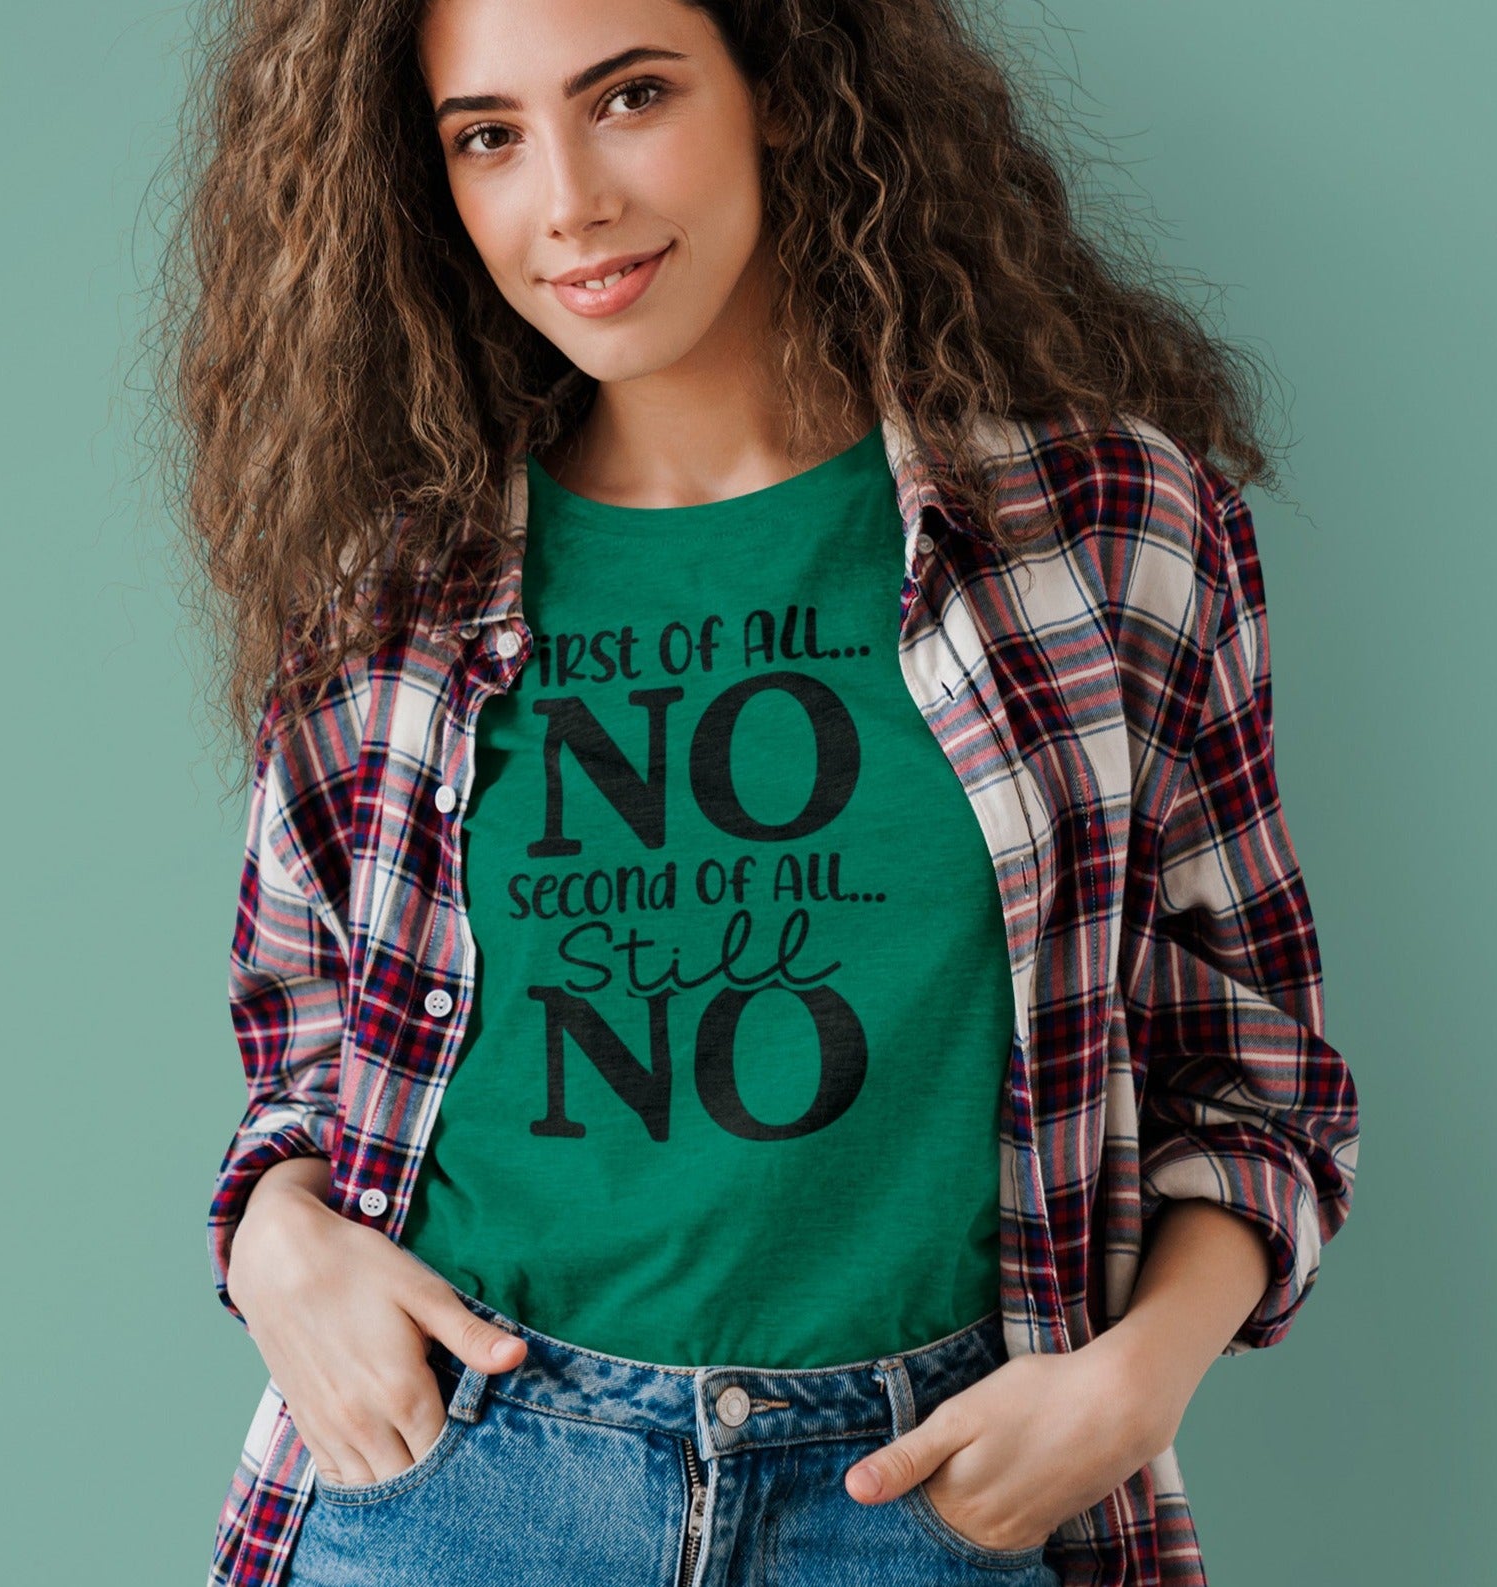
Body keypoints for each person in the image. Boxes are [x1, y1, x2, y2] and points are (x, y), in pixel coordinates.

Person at [153, 0, 1361, 1582]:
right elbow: (306, 1056)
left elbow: (1254, 1073)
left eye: (631, 97)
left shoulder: (1103, 530)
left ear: (783, 91)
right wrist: (273, 1239)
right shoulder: (387, 596)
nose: (569, 199)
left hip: (934, 1495)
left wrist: (1136, 1381)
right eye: (489, 136)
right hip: (458, 1482)